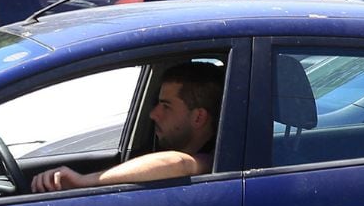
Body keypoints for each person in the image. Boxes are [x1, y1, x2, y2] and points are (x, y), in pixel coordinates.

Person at [33, 61, 222, 192]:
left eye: (166, 106)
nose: (153, 114)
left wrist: (84, 181)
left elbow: (179, 164)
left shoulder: (214, 159)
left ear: (198, 117)